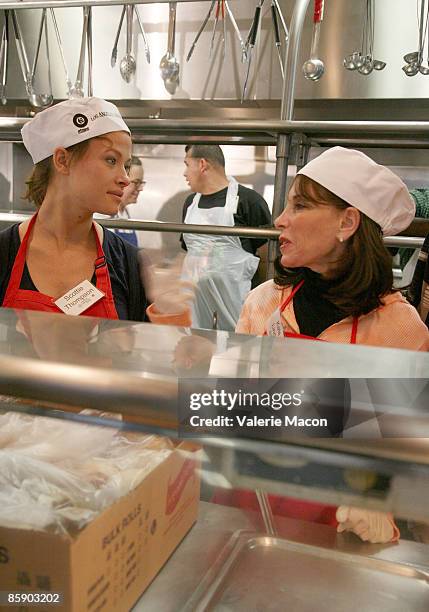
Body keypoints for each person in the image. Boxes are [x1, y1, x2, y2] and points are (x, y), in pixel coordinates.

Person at [236, 147, 429, 351]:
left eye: (299, 206)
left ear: (347, 222)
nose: (279, 220)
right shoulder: (262, 302)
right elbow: (235, 381)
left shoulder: (402, 330)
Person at [0, 97, 147, 322]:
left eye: (125, 165)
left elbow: (146, 352)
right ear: (62, 160)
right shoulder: (4, 253)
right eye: (110, 160)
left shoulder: (127, 263)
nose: (125, 179)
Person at [180, 144, 271, 331]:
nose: (184, 173)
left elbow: (265, 256)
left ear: (202, 164)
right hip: (194, 303)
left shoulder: (249, 201)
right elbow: (189, 253)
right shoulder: (190, 204)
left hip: (235, 303)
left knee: (234, 351)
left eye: (187, 164)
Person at [109, 155, 145, 247]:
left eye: (141, 183)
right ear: (122, 181)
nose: (140, 188)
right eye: (136, 182)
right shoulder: (104, 215)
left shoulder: (126, 213)